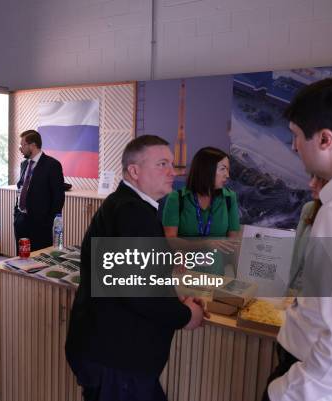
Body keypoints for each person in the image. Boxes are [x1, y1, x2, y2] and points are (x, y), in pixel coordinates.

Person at [65, 135, 206, 401]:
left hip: (113, 355)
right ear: (134, 171)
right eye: (162, 164)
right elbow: (139, 293)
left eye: (172, 164)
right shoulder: (132, 212)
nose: (172, 172)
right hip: (117, 361)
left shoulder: (127, 206)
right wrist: (186, 315)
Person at [263, 76, 332, 401]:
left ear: (325, 139)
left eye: (296, 135)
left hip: (308, 378)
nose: (294, 146)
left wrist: (287, 392)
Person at [162, 147, 240, 275]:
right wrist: (205, 244)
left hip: (216, 272)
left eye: (227, 169)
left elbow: (232, 241)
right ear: (206, 170)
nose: (227, 175)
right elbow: (171, 239)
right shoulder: (176, 198)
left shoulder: (229, 198)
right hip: (183, 271)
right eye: (223, 169)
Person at [14, 129, 65, 252]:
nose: (20, 148)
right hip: (21, 220)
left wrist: (48, 221)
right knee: (21, 259)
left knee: (39, 260)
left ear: (33, 145)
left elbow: (58, 197)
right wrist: (16, 213)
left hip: (40, 223)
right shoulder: (24, 164)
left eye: (22, 145)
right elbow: (21, 188)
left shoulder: (52, 165)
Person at [288, 175, 327, 293]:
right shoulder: (309, 209)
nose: (311, 184)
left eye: (320, 179)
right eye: (313, 177)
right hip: (295, 293)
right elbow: (296, 259)